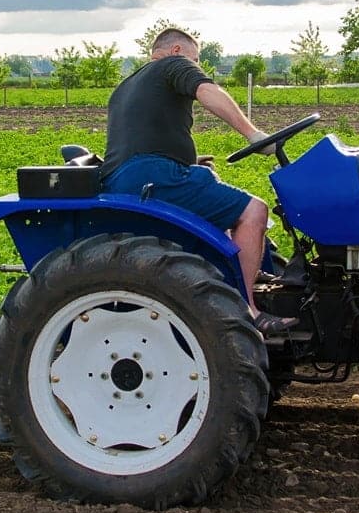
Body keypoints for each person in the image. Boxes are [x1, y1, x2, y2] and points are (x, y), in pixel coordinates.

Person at [102, 27, 294, 333]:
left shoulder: (127, 85)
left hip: (130, 175)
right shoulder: (171, 65)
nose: (197, 67)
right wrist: (253, 134)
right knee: (254, 211)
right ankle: (248, 310)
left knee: (209, 181)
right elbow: (208, 91)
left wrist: (189, 162)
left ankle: (245, 277)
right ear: (176, 51)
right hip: (154, 175)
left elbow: (144, 134)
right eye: (196, 60)